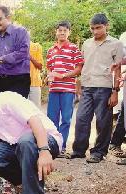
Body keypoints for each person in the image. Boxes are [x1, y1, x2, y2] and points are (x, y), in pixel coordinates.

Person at [67, 14, 124, 163]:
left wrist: (115, 91)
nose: (95, 31)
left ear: (107, 26)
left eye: (98, 28)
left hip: (104, 87)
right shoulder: (86, 43)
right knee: (81, 119)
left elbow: (117, 69)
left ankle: (99, 152)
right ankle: (79, 150)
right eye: (92, 28)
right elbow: (82, 64)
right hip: (87, 86)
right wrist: (78, 82)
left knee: (103, 122)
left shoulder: (116, 44)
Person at [46, 21, 83, 156]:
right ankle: (52, 146)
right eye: (59, 30)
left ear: (69, 32)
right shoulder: (51, 50)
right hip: (54, 89)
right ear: (56, 32)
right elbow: (49, 67)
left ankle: (61, 147)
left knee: (66, 119)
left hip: (68, 89)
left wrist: (62, 75)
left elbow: (79, 68)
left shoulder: (74, 49)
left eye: (65, 31)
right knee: (51, 119)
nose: (62, 33)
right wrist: (50, 76)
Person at [0, 6, 30, 97]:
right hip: (0, 81)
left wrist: (0, 60)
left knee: (16, 110)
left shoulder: (21, 32)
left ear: (8, 18)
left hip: (18, 80)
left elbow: (23, 52)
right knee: (0, 110)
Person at [29, 38, 43, 108]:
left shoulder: (36, 46)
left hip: (34, 83)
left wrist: (30, 57)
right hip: (20, 84)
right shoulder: (16, 48)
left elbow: (40, 66)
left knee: (35, 110)